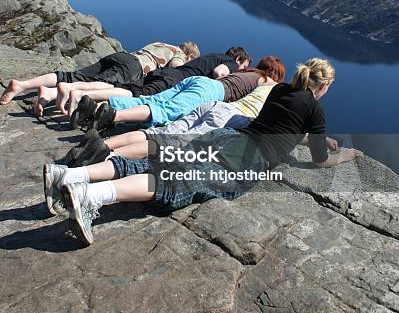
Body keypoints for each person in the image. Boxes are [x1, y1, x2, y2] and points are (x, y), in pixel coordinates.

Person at [43, 58, 363, 245]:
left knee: (162, 158)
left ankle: (71, 174)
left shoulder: (280, 89)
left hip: (226, 137)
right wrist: (348, 154)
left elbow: (281, 122)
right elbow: (321, 161)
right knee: (174, 182)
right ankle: (91, 197)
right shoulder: (315, 111)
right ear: (324, 87)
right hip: (246, 159)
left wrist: (305, 135)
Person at [66, 56, 286, 166]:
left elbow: (219, 71)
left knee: (152, 100)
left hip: (197, 80)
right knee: (164, 112)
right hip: (213, 92)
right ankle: (113, 117)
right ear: (274, 73)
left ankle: (96, 109)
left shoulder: (247, 71)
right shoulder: (265, 81)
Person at [0, 41, 200, 117]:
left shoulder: (162, 43)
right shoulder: (180, 55)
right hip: (134, 67)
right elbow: (175, 67)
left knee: (73, 75)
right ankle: (53, 93)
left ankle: (21, 85)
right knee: (104, 86)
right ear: (190, 56)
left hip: (122, 56)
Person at [68, 46, 252, 127]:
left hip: (167, 73)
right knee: (135, 95)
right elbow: (220, 73)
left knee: (132, 89)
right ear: (239, 59)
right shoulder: (230, 63)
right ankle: (87, 100)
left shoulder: (214, 55)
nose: (240, 71)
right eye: (243, 67)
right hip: (176, 81)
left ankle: (86, 97)